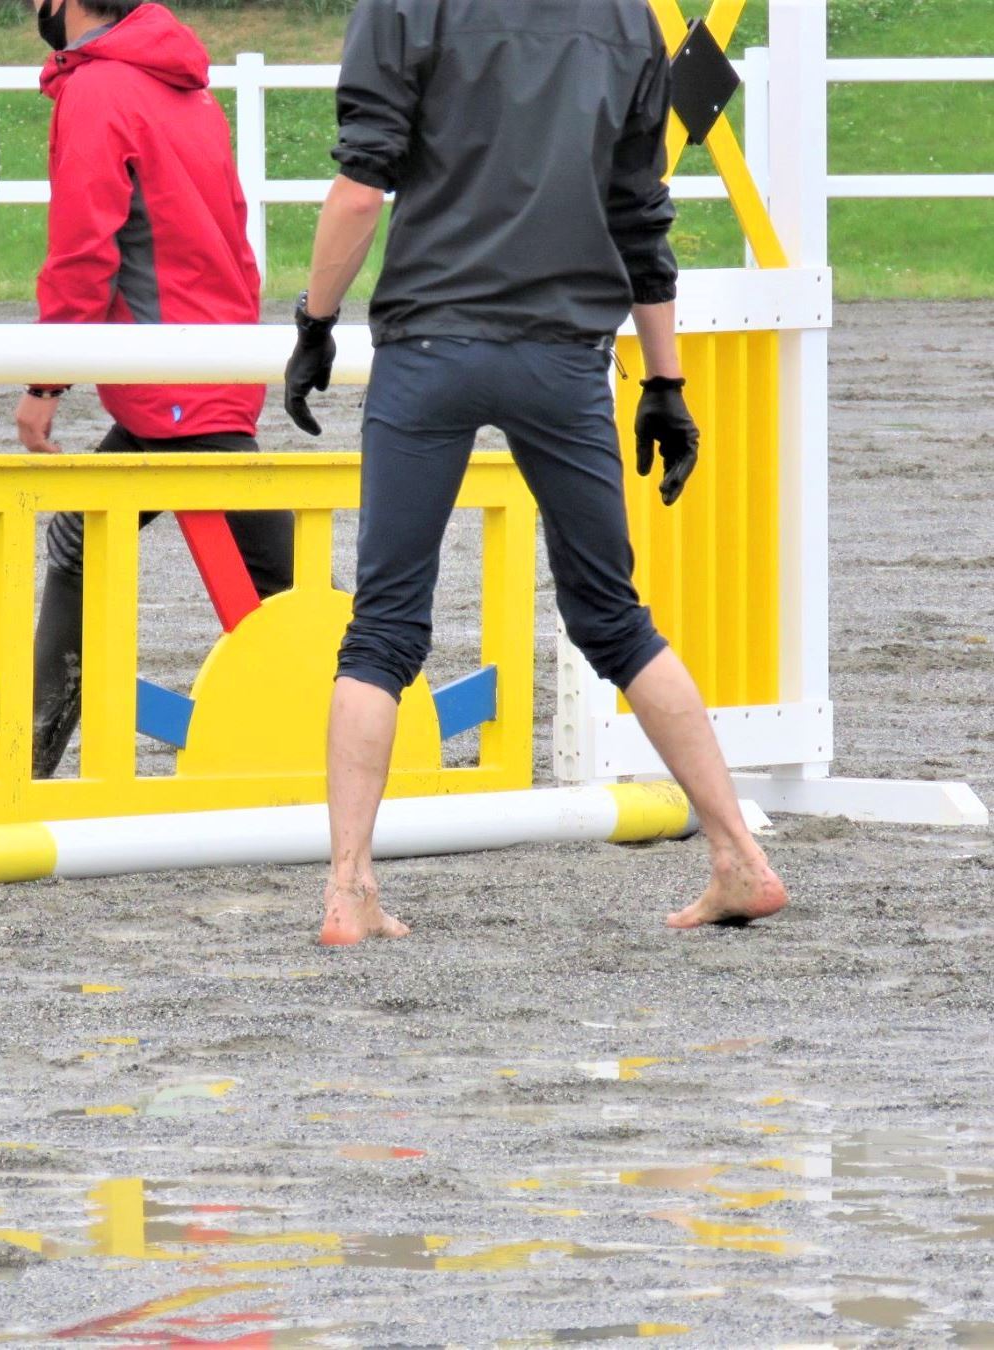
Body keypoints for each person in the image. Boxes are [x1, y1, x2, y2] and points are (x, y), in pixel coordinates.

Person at [284, 0, 788, 943]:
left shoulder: (402, 7)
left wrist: (314, 322)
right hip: (563, 355)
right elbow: (639, 217)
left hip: (429, 346)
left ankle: (349, 890)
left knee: (383, 629)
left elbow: (361, 190)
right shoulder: (629, 22)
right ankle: (738, 856)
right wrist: (665, 382)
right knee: (615, 618)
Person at [0, 0, 292, 781]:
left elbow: (81, 250)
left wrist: (44, 383)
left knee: (278, 581)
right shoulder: (180, 82)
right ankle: (29, 750)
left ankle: (373, 732)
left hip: (173, 377)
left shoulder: (100, 90)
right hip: (201, 357)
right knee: (90, 544)